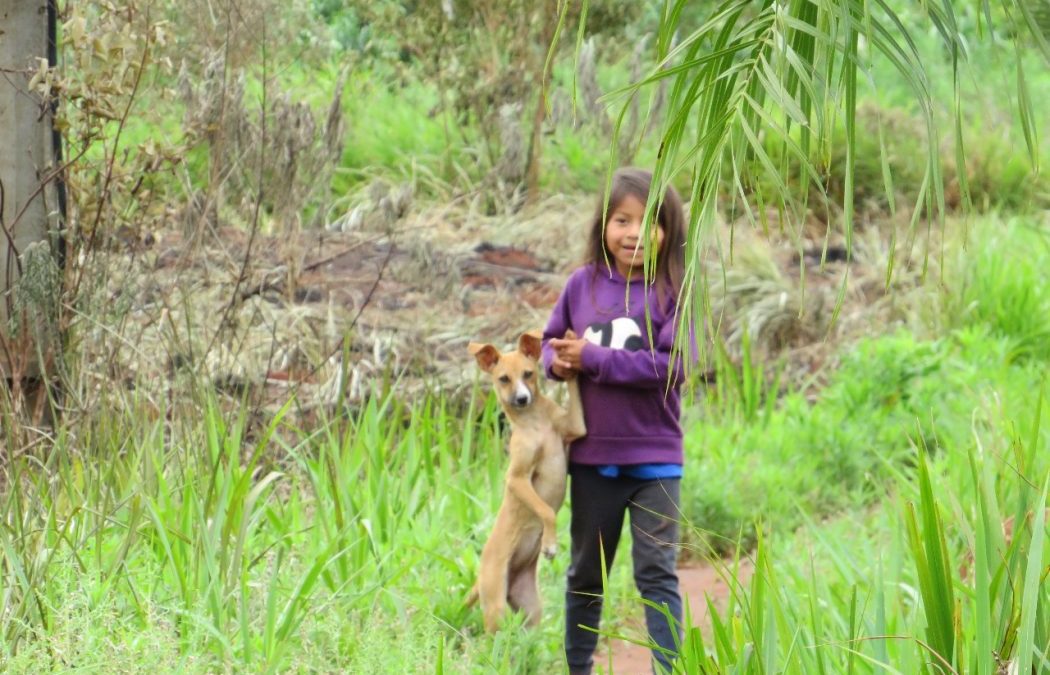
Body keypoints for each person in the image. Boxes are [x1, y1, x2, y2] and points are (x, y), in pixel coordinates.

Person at [542, 167, 691, 675]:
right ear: (602, 226)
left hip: (656, 461)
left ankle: (669, 669)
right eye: (621, 219)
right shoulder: (581, 285)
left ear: (668, 229)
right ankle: (578, 668)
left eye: (649, 220)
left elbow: (674, 366)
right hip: (592, 459)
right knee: (585, 574)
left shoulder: (675, 290)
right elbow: (549, 340)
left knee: (656, 575)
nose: (634, 232)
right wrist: (556, 361)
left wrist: (595, 360)